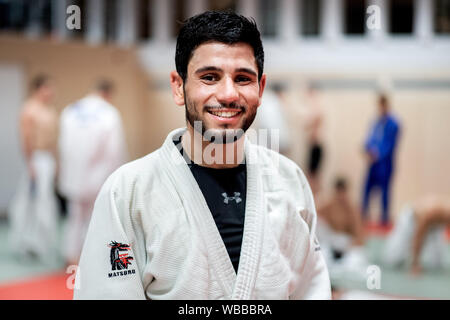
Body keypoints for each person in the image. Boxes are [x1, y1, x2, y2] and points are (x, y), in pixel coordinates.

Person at [74, 11, 331, 300]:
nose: (228, 93)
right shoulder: (127, 192)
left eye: (243, 78)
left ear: (260, 89)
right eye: (209, 77)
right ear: (178, 86)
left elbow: (312, 290)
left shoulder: (290, 180)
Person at [58, 79, 128, 267]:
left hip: (73, 176)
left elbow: (63, 145)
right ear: (107, 94)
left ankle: (71, 257)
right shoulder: (109, 113)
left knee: (74, 218)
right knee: (95, 220)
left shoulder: (70, 110)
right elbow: (115, 150)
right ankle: (90, 261)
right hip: (98, 177)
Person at [8, 74, 60, 262]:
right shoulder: (29, 110)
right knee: (30, 202)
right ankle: (26, 242)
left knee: (46, 201)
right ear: (38, 89)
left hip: (47, 159)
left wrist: (56, 162)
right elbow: (26, 139)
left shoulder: (50, 110)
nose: (51, 92)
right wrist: (30, 164)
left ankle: (42, 241)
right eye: (48, 88)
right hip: (36, 159)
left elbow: (53, 139)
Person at [382, 195, 450, 275]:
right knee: (393, 259)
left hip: (434, 226)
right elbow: (419, 236)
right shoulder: (432, 213)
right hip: (411, 221)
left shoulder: (444, 217)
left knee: (437, 262)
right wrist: (415, 264)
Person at [362, 94, 400, 226]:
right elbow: (369, 139)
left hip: (385, 164)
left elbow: (390, 144)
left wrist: (379, 153)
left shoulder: (394, 123)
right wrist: (367, 148)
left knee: (384, 192)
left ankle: (384, 219)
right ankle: (363, 216)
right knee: (366, 189)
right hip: (373, 163)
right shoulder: (376, 122)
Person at [316, 178, 367, 275]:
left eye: (342, 193)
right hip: (331, 244)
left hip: (348, 247)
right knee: (319, 224)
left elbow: (360, 238)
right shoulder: (328, 206)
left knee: (355, 261)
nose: (340, 196)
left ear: (345, 192)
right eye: (338, 193)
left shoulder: (353, 210)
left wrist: (348, 246)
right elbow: (315, 218)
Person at [302, 84, 324, 196]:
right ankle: (315, 198)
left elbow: (317, 120)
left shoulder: (316, 107)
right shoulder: (315, 107)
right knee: (312, 175)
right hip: (314, 145)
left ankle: (315, 199)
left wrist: (311, 129)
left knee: (313, 176)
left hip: (316, 145)